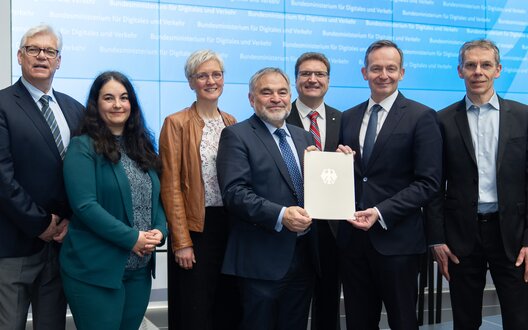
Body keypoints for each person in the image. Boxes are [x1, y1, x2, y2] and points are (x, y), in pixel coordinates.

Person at [338, 40, 442, 329]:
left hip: (398, 241)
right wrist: (337, 163)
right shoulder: (349, 117)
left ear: (402, 73)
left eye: (390, 68)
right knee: (358, 320)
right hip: (354, 242)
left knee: (403, 320)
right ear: (364, 73)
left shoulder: (422, 117)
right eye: (376, 68)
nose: (383, 74)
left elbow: (428, 182)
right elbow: (353, 175)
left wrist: (381, 212)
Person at [426, 39, 528, 330]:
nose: (478, 72)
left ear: (498, 70)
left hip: (511, 234)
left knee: (519, 318)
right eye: (471, 65)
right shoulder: (442, 120)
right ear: (460, 71)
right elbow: (433, 184)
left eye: (485, 65)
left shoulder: (523, 117)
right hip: (461, 236)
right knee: (465, 320)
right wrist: (436, 238)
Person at [60, 71, 167, 329]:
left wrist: (160, 232)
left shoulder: (142, 147)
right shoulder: (82, 147)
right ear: (96, 104)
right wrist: (133, 238)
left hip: (139, 272)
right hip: (95, 271)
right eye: (109, 98)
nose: (118, 105)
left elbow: (156, 199)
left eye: (124, 97)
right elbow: (85, 206)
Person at [217, 67, 321, 330]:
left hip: (304, 256)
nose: (276, 98)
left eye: (282, 92)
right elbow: (234, 193)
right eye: (267, 92)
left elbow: (315, 190)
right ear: (252, 99)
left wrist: (337, 166)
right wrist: (281, 215)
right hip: (260, 261)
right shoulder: (236, 135)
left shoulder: (304, 137)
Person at [0, 24, 84, 329]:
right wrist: (40, 224)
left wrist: (70, 220)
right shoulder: (3, 105)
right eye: (33, 49)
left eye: (49, 51)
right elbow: (3, 178)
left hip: (61, 246)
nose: (41, 56)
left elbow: (86, 175)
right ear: (20, 56)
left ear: (58, 61)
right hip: (14, 247)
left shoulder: (75, 110)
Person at [159, 49, 240, 330]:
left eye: (216, 74)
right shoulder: (176, 123)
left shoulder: (232, 121)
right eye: (202, 76)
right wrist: (181, 241)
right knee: (195, 311)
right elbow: (170, 186)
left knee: (227, 306)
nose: (210, 81)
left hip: (230, 227)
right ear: (191, 82)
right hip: (195, 229)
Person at [286, 52, 342, 330]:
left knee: (328, 302)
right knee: (289, 307)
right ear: (296, 80)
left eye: (319, 74)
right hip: (291, 227)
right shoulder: (278, 117)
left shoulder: (343, 120)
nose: (312, 79)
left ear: (328, 81)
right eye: (305, 74)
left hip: (331, 229)